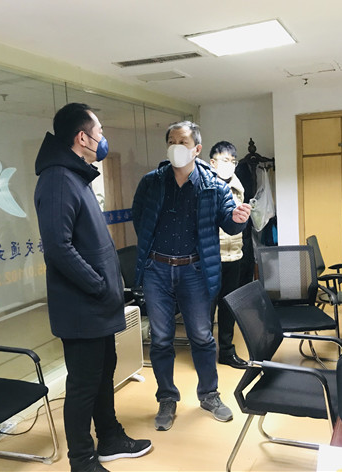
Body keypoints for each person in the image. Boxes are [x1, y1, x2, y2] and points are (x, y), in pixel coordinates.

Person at [34, 103, 152, 472]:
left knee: (103, 375)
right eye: (99, 131)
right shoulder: (57, 179)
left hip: (96, 305)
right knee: (84, 384)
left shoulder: (76, 176)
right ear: (82, 138)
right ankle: (82, 460)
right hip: (81, 307)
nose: (103, 138)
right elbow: (58, 248)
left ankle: (110, 437)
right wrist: (99, 285)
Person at [132, 121, 251, 432]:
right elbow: (139, 218)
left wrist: (239, 219)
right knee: (161, 338)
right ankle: (166, 398)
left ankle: (209, 395)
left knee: (201, 335)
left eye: (182, 142)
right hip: (157, 270)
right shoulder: (152, 182)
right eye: (171, 141)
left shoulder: (213, 186)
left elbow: (229, 222)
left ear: (197, 148)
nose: (176, 147)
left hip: (194, 271)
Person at [209, 141, 248, 369]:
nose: (230, 165)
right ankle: (204, 354)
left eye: (233, 161)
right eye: (225, 160)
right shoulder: (205, 186)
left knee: (228, 307)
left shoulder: (238, 186)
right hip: (210, 258)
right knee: (207, 309)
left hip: (234, 256)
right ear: (212, 162)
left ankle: (226, 351)